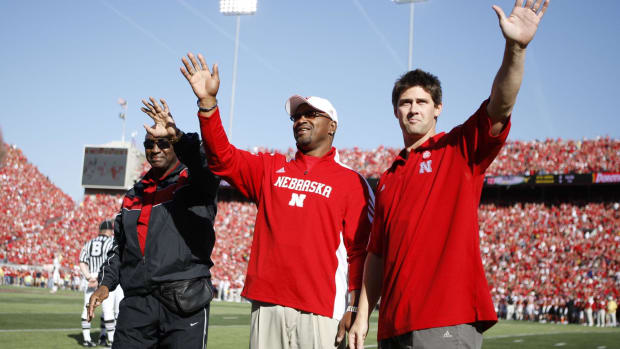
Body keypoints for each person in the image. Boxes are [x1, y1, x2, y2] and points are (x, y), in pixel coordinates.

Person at [348, 1, 550, 348]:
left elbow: (500, 104)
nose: (413, 109)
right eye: (406, 102)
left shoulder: (458, 149)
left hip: (446, 319)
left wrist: (515, 49)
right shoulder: (388, 178)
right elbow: (376, 255)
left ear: (438, 108)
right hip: (393, 326)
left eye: (422, 102)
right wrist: (363, 315)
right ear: (395, 111)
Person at [181, 52, 374, 348]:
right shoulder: (270, 168)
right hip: (268, 304)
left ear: (332, 126)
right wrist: (208, 105)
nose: (301, 120)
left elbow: (359, 251)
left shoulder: (351, 182)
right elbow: (223, 159)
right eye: (297, 115)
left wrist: (353, 306)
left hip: (320, 310)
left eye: (311, 114)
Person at [87, 97, 220, 348]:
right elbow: (120, 249)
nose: (155, 149)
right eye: (150, 144)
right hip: (137, 306)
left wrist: (178, 135)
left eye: (163, 143)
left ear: (175, 146)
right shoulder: (133, 195)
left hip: (184, 302)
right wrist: (106, 284)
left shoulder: (194, 182)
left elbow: (209, 165)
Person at [79, 220, 121, 347]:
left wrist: (88, 277)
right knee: (109, 311)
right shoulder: (111, 242)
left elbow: (82, 261)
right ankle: (111, 340)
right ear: (109, 231)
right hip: (104, 279)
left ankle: (87, 339)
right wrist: (99, 278)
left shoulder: (88, 243)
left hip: (91, 278)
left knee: (87, 308)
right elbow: (112, 261)